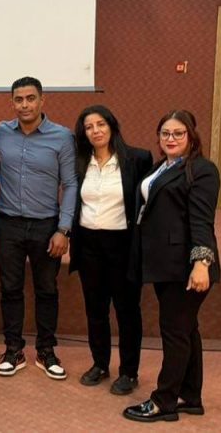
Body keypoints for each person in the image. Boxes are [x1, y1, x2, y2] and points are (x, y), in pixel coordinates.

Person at [124, 110, 220, 423]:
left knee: (175, 332)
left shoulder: (202, 170)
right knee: (186, 329)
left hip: (186, 267)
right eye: (165, 133)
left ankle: (164, 401)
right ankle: (190, 396)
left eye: (179, 133)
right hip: (164, 264)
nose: (171, 138)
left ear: (191, 136)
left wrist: (201, 263)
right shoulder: (162, 166)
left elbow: (202, 221)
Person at [0, 76, 76, 381]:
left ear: (42, 100)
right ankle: (13, 350)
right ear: (12, 102)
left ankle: (46, 350)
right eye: (18, 99)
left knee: (47, 289)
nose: (24, 105)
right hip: (8, 225)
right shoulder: (1, 133)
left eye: (30, 98)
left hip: (47, 227)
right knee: (10, 289)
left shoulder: (62, 137)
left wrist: (63, 229)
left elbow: (71, 184)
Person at [70, 105, 152, 395]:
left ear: (112, 126)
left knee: (127, 311)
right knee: (96, 310)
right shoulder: (80, 162)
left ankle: (129, 371)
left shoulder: (137, 159)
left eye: (101, 124)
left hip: (122, 246)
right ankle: (100, 364)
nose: (96, 131)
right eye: (89, 127)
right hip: (89, 245)